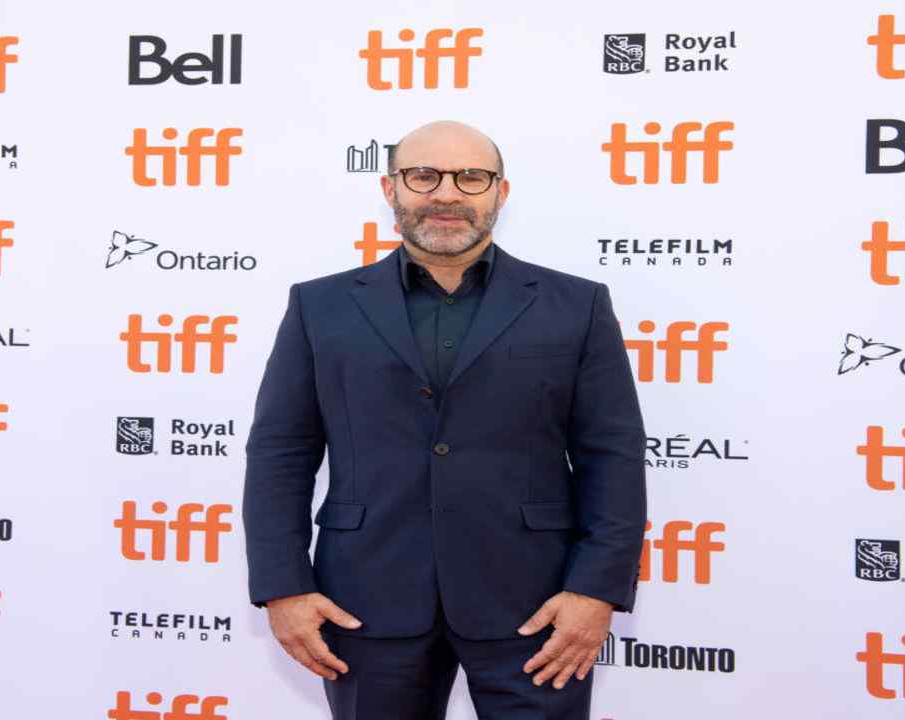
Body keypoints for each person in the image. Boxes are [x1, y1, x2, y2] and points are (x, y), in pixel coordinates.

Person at [242, 120, 646, 719]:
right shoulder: (318, 306)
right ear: (390, 189)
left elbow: (611, 455)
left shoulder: (576, 305)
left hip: (537, 605)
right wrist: (284, 586)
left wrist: (595, 590)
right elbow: (281, 452)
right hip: (364, 600)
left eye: (471, 177)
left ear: (500, 192)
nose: (447, 194)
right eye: (424, 175)